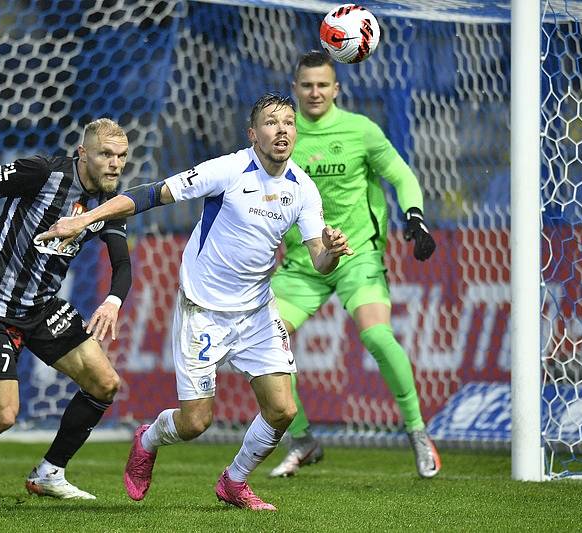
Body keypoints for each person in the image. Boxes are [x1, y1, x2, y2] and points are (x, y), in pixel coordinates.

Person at [36, 93, 353, 511]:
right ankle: (148, 438)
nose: (282, 131)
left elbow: (320, 260)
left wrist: (331, 249)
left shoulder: (303, 189)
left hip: (257, 311)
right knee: (195, 423)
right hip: (202, 310)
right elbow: (151, 194)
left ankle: (234, 482)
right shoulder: (228, 170)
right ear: (252, 133)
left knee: (281, 410)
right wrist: (83, 219)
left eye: (289, 123)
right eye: (272, 123)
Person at [0, 118, 132, 502]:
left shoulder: (110, 204)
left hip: (42, 306)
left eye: (121, 156)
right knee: (3, 416)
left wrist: (113, 301)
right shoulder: (42, 172)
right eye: (105, 154)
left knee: (105, 383)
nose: (115, 164)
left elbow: (123, 265)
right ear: (83, 153)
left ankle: (50, 472)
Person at [268, 51, 441, 479]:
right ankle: (303, 440)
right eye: (306, 85)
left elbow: (401, 175)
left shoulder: (360, 130)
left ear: (336, 89)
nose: (314, 92)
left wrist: (415, 216)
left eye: (322, 85)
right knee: (265, 345)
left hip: (356, 254)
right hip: (305, 261)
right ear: (294, 90)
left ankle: (418, 432)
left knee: (378, 336)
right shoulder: (279, 136)